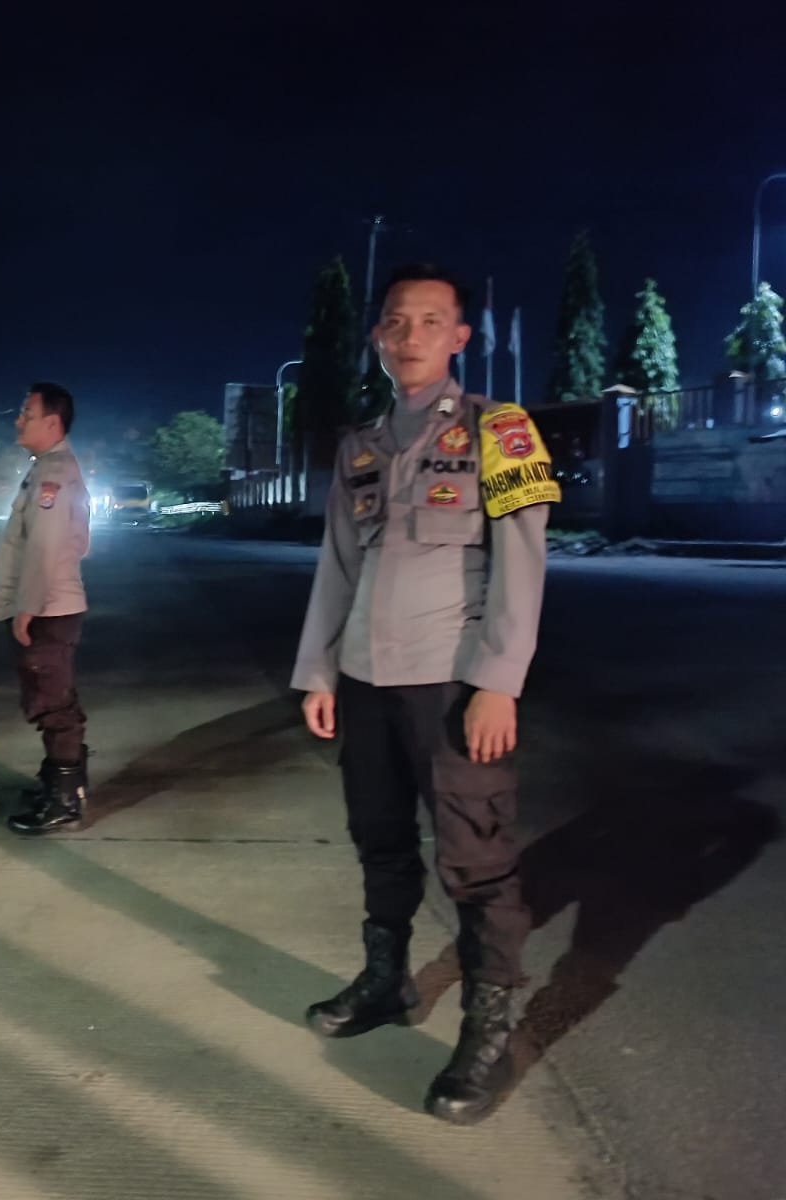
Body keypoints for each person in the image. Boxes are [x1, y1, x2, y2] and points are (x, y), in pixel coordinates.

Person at [290, 263, 560, 1125]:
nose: (410, 335)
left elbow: (522, 562)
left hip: (451, 681)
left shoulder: (502, 429)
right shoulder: (360, 445)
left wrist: (498, 684)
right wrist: (319, 671)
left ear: (460, 338)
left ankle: (488, 1025)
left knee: (476, 859)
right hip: (367, 678)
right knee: (380, 840)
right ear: (378, 337)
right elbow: (339, 566)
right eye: (396, 321)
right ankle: (386, 980)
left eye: (430, 321)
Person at [0, 383, 92, 834]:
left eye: (26, 414)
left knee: (53, 704)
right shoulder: (46, 468)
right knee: (51, 698)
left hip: (48, 609)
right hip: (50, 605)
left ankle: (64, 801)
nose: (18, 421)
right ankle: (62, 783)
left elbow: (45, 547)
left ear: (52, 422)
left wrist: (27, 607)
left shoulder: (54, 474)